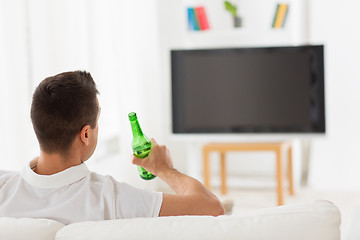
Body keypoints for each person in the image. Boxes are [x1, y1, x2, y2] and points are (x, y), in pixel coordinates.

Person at [0, 71, 224, 224]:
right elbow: (211, 208)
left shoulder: (3, 187)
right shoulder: (113, 198)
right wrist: (165, 169)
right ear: (86, 134)